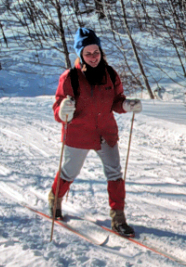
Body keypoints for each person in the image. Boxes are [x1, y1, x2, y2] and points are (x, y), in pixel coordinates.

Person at [49, 28, 142, 237]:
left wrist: (127, 105)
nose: (93, 57)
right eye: (88, 53)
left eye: (96, 52)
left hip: (105, 133)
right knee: (69, 172)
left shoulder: (110, 74)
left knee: (115, 174)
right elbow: (57, 108)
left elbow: (116, 102)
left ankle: (118, 218)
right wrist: (62, 110)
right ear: (80, 54)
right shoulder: (70, 77)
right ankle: (55, 199)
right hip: (78, 134)